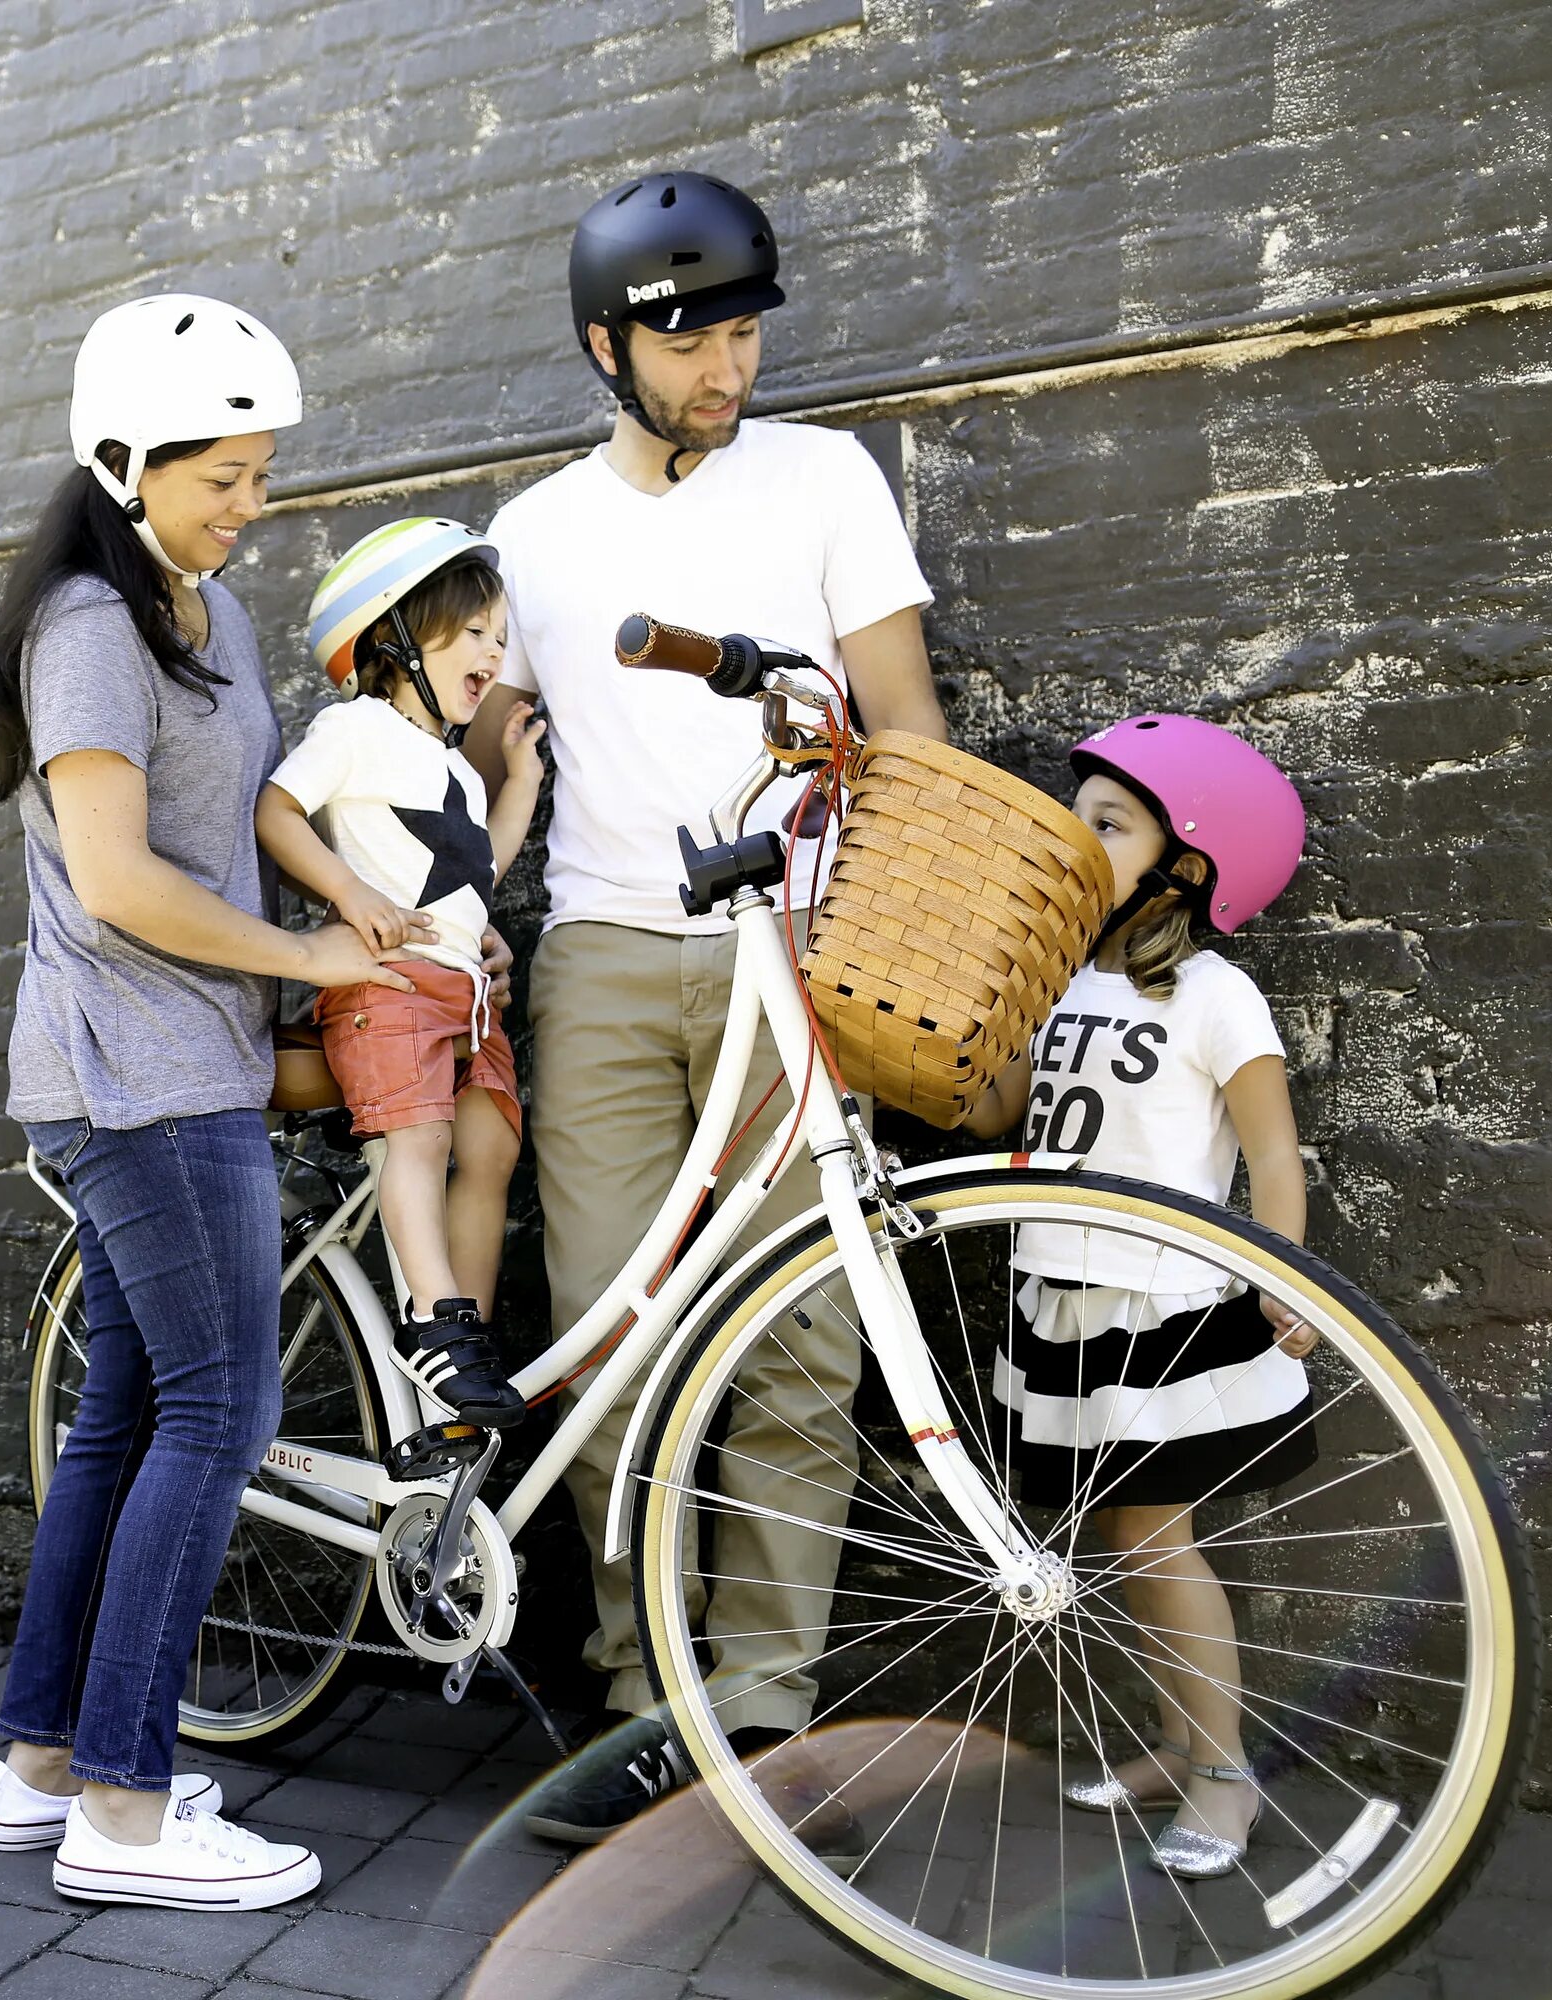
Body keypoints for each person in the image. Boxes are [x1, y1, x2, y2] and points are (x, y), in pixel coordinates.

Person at [463, 171, 950, 1846]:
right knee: (610, 1337)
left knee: (809, 1339)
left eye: (742, 334)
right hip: (601, 955)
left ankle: (760, 1711)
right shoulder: (530, 537)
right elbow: (500, 753)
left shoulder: (823, 478)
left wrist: (901, 937)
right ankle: (639, 1705)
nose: (725, 367)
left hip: (798, 955)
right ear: (609, 347)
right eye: (690, 343)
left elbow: (907, 727)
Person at [0, 293, 403, 1912]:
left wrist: (349, 909)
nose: (250, 502)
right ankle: (130, 1813)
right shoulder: (90, 625)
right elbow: (117, 884)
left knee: (127, 1416)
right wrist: (305, 957)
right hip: (134, 1078)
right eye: (219, 473)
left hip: (187, 1063)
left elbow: (238, 818)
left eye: (262, 470)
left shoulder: (197, 611)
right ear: (123, 458)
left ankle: (43, 1764)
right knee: (220, 1414)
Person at [960, 713, 1318, 1880]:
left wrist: (1284, 1271)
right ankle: (1177, 1739)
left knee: (1160, 1541)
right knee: (1126, 1538)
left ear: (1190, 865)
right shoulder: (1060, 973)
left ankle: (1227, 1777)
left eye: (1108, 822)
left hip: (1158, 1308)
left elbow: (1273, 1154)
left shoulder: (1216, 996)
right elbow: (995, 1116)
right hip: (1056, 1294)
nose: (1079, 836)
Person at [256, 519, 547, 1427]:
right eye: (473, 634)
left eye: (501, 638)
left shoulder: (455, 769)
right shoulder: (355, 728)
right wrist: (347, 893)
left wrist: (522, 788)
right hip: (388, 992)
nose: (494, 653)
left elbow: (473, 880)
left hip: (461, 1001)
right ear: (394, 641)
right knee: (416, 1142)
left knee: (492, 1145)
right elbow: (276, 808)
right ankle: (432, 1322)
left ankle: (467, 1328)